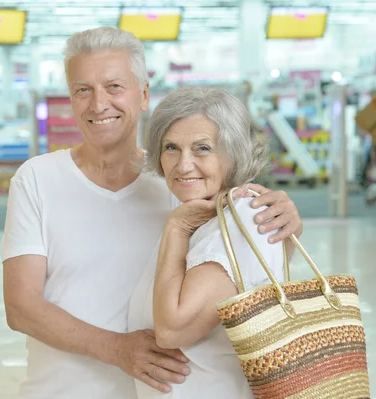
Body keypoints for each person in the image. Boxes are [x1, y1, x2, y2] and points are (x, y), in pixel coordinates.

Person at [1, 27, 303, 399]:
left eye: (114, 87)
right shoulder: (37, 179)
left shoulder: (179, 181)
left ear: (143, 94)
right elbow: (20, 307)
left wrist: (284, 225)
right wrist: (117, 349)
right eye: (83, 90)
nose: (98, 105)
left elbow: (242, 268)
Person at [128, 87, 289, 398]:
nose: (183, 164)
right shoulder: (210, 217)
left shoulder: (240, 221)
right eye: (171, 147)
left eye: (202, 148)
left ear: (233, 154)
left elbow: (172, 330)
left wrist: (176, 228)